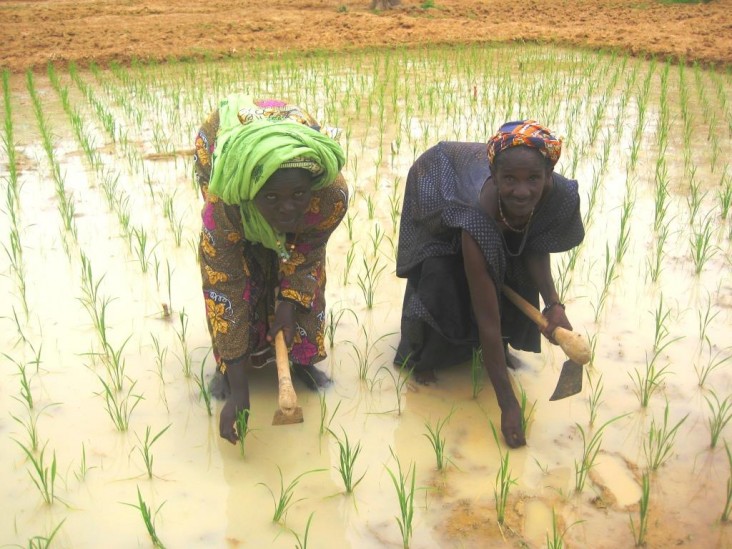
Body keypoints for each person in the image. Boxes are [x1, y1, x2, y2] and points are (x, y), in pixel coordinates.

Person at [393, 120, 584, 448]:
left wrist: (553, 304)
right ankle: (425, 355)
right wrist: (508, 404)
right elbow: (488, 318)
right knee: (442, 270)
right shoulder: (475, 215)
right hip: (440, 181)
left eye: (533, 180)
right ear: (495, 176)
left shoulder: (557, 195)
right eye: (510, 179)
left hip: (484, 202)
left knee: (514, 268)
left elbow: (533, 243)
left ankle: (496, 355)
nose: (522, 191)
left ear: (547, 177)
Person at [194, 94, 348, 444]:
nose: (286, 210)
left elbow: (307, 254)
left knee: (299, 264)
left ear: (312, 188)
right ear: (250, 194)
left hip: (285, 190)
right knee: (243, 272)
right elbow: (224, 286)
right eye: (272, 198)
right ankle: (228, 367)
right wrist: (238, 389)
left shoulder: (329, 196)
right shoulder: (226, 202)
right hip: (220, 152)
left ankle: (303, 361)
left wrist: (288, 304)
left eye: (297, 195)